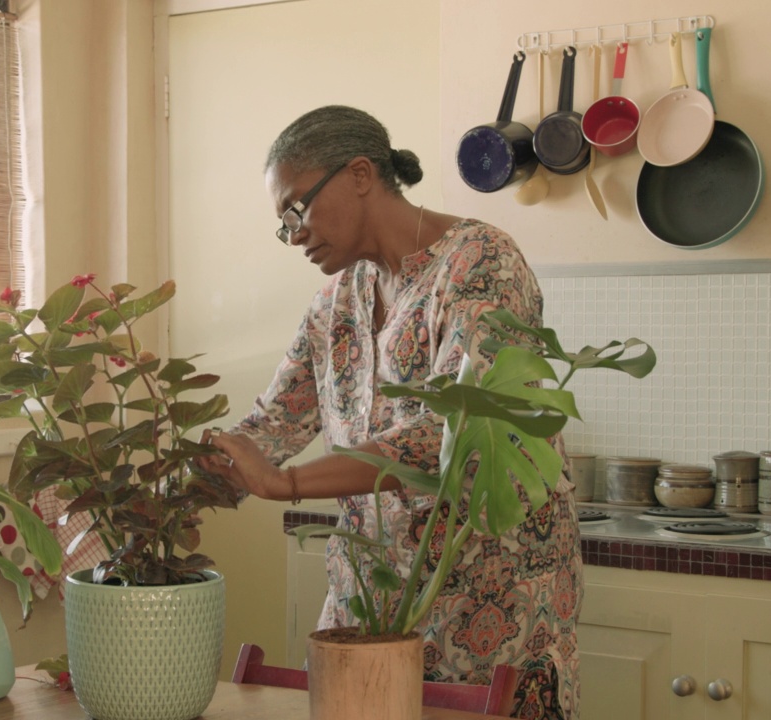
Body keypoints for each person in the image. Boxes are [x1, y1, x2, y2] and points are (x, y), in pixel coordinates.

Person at [200, 105, 581, 720]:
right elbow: (271, 425)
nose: (294, 233)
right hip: (372, 609)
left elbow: (451, 433)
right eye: (284, 223)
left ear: (358, 175)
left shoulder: (479, 262)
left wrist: (290, 484)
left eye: (297, 208)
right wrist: (174, 486)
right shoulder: (337, 302)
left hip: (487, 602)